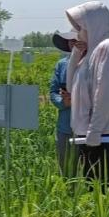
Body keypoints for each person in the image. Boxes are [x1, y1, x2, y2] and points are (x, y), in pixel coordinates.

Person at [64, 2, 109, 186]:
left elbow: (105, 94)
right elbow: (70, 87)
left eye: (80, 27)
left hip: (102, 138)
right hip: (90, 136)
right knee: (93, 191)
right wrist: (77, 53)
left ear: (93, 25)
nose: (77, 32)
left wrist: (95, 131)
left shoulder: (107, 48)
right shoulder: (90, 53)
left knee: (104, 193)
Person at [48, 29, 77, 175]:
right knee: (64, 168)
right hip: (65, 125)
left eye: (77, 40)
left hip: (89, 126)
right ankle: (67, 194)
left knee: (88, 170)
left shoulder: (93, 64)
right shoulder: (61, 65)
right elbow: (53, 92)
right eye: (71, 40)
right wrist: (63, 102)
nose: (74, 43)